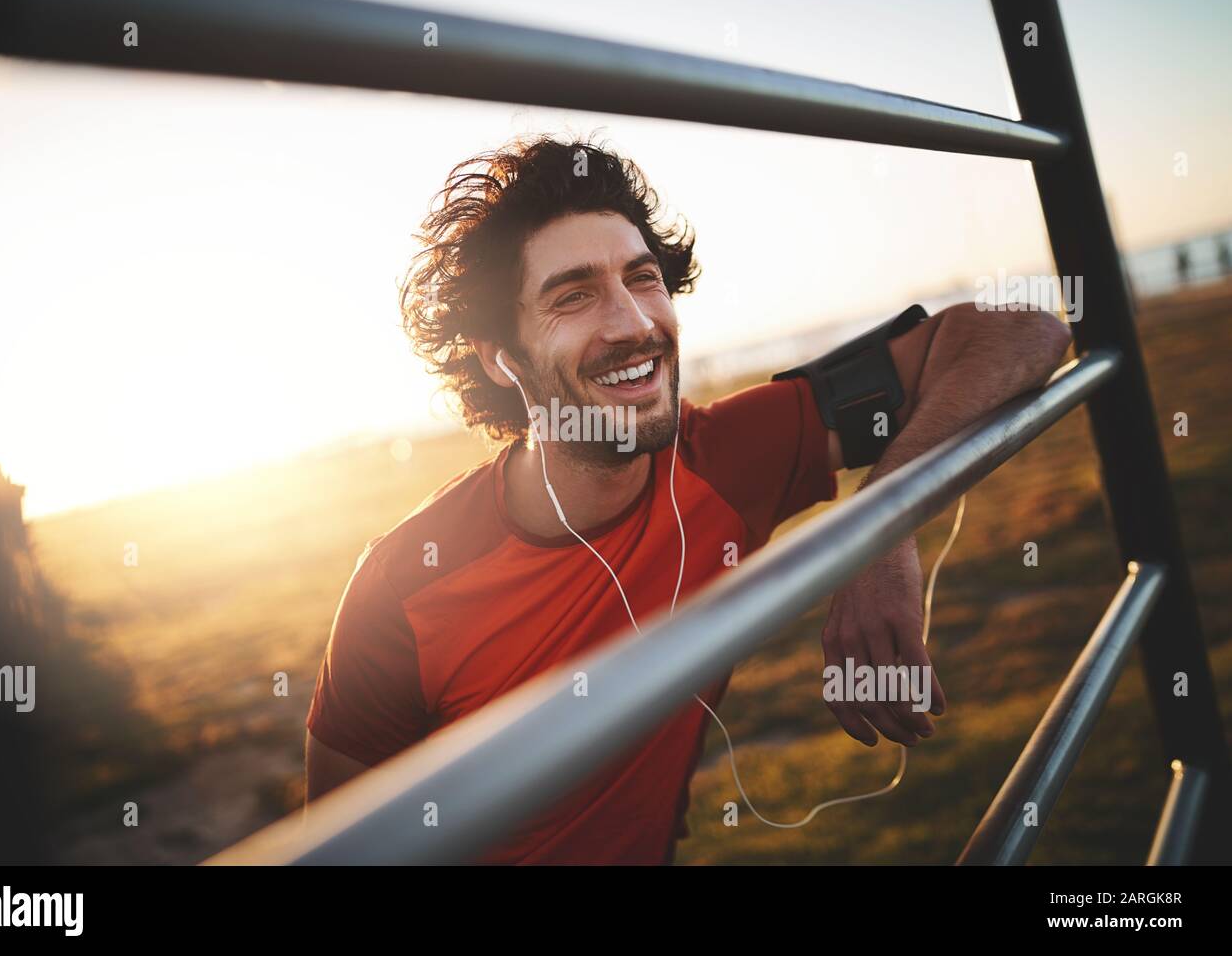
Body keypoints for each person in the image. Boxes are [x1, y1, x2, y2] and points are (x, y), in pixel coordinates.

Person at [303, 135, 1072, 863]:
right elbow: (341, 848)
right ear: (502, 359)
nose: (634, 324)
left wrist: (882, 527)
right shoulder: (400, 587)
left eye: (642, 278)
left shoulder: (722, 460)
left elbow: (1022, 331)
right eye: (573, 296)